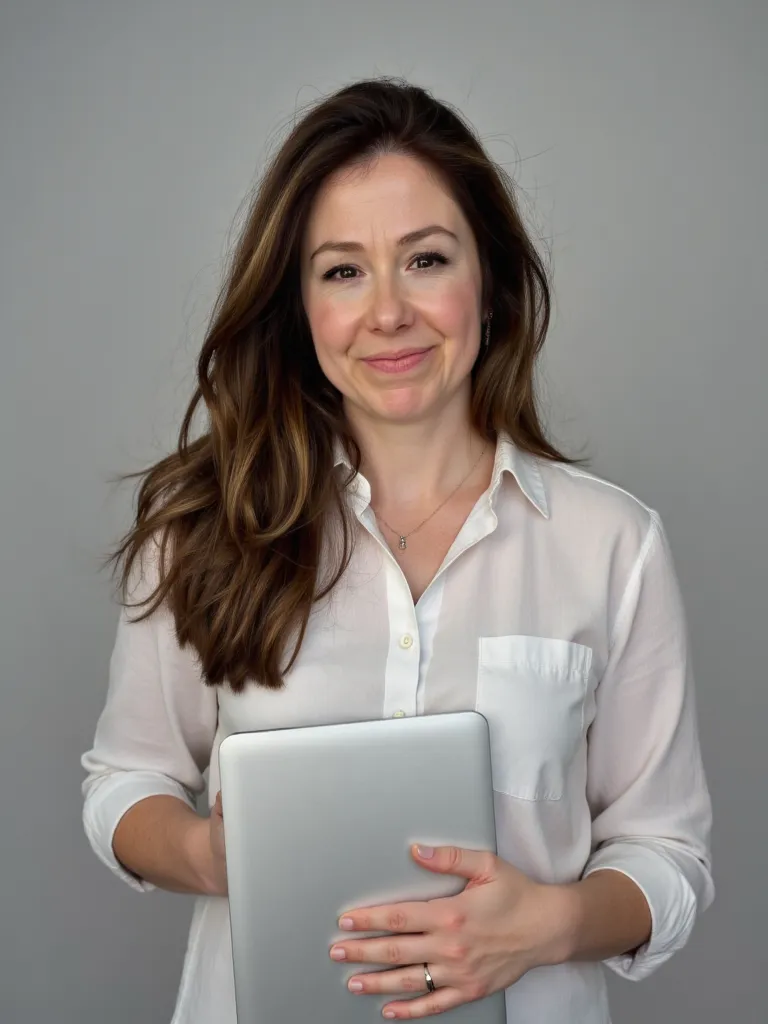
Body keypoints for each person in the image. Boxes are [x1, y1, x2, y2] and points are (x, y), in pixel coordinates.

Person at [81, 77, 714, 1023]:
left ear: (489, 282)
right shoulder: (203, 527)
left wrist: (550, 924)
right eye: (343, 271)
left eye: (425, 259)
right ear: (300, 307)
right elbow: (124, 783)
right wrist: (206, 855)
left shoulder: (613, 547)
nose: (388, 313)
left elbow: (667, 854)